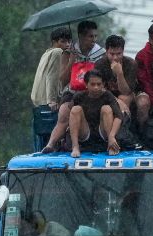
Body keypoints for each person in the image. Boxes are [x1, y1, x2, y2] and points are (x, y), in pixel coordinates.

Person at [43, 21, 105, 152]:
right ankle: (51, 144)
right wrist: (72, 60)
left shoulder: (100, 53)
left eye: (95, 36)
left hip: (93, 92)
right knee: (64, 111)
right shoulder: (68, 52)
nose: (94, 40)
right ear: (81, 36)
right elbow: (63, 80)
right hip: (72, 91)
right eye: (90, 37)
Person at [31, 27, 72, 148]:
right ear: (54, 41)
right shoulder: (57, 52)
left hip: (38, 104)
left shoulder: (46, 53)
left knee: (39, 142)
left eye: (69, 41)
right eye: (63, 41)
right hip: (47, 104)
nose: (67, 45)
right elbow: (52, 77)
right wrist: (52, 100)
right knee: (50, 142)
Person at [68, 70, 123, 157]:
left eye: (99, 84)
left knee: (106, 109)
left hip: (103, 132)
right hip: (86, 132)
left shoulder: (108, 96)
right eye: (93, 84)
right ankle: (75, 147)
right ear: (86, 84)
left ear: (103, 84)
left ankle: (111, 145)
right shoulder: (79, 96)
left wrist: (112, 136)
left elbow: (119, 116)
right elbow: (72, 117)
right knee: (75, 109)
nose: (96, 87)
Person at [93, 35, 137, 115]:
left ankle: (124, 125)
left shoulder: (131, 63)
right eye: (112, 54)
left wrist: (119, 74)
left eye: (119, 54)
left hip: (126, 93)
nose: (115, 58)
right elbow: (99, 88)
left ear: (123, 51)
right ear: (106, 52)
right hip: (106, 93)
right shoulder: (100, 64)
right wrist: (116, 100)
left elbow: (126, 92)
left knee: (124, 98)